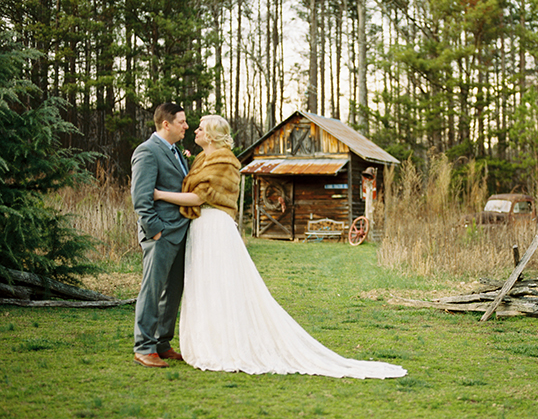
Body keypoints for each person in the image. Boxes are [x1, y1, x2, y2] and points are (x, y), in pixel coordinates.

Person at [154, 115, 407, 379]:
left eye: (201, 128)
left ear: (213, 135)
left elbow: (199, 196)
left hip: (215, 226)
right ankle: (208, 339)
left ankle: (225, 343)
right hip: (200, 227)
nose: (195, 130)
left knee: (221, 285)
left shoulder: (224, 161)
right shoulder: (200, 159)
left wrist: (160, 195)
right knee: (204, 286)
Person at [131, 103, 191, 368]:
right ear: (166, 124)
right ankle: (144, 348)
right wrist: (154, 231)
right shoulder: (147, 151)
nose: (186, 126)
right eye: (182, 122)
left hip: (181, 233)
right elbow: (141, 199)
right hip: (161, 234)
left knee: (173, 292)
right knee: (153, 291)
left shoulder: (177, 152)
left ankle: (162, 343)